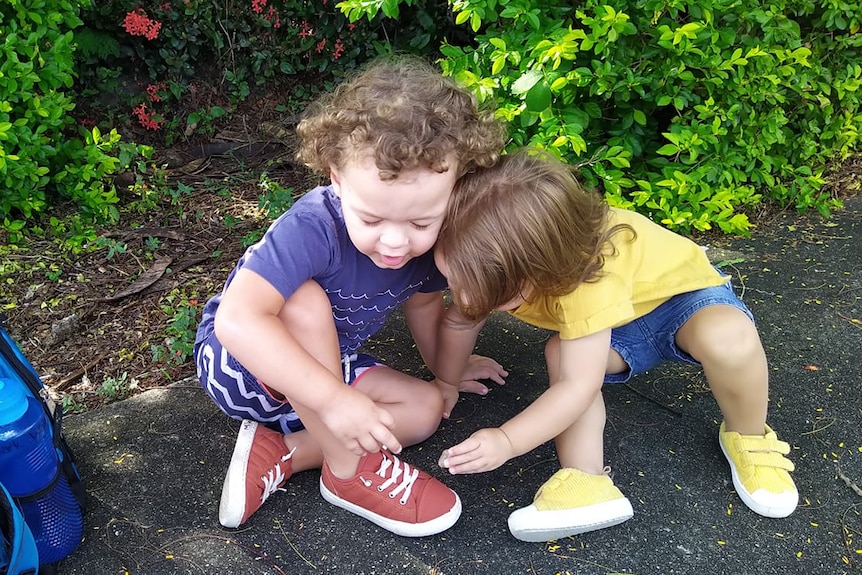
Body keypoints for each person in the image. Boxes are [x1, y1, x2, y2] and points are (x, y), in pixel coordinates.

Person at [193, 55, 508, 537]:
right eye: (373, 220)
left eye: (421, 222)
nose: (396, 242)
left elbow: (424, 305)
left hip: (330, 368)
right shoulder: (313, 225)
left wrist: (447, 373)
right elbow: (237, 322)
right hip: (244, 368)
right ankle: (346, 473)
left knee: (425, 410)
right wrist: (335, 400)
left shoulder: (431, 244)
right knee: (303, 299)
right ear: (336, 179)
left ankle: (287, 452)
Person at [432, 148, 798, 542]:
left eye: (476, 288)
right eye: (452, 278)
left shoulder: (585, 278)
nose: (463, 295)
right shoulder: (494, 259)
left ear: (539, 268)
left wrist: (506, 440)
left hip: (684, 304)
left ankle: (749, 435)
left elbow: (578, 385)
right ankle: (586, 480)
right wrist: (446, 382)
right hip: (617, 325)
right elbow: (459, 319)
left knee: (729, 338)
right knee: (561, 352)